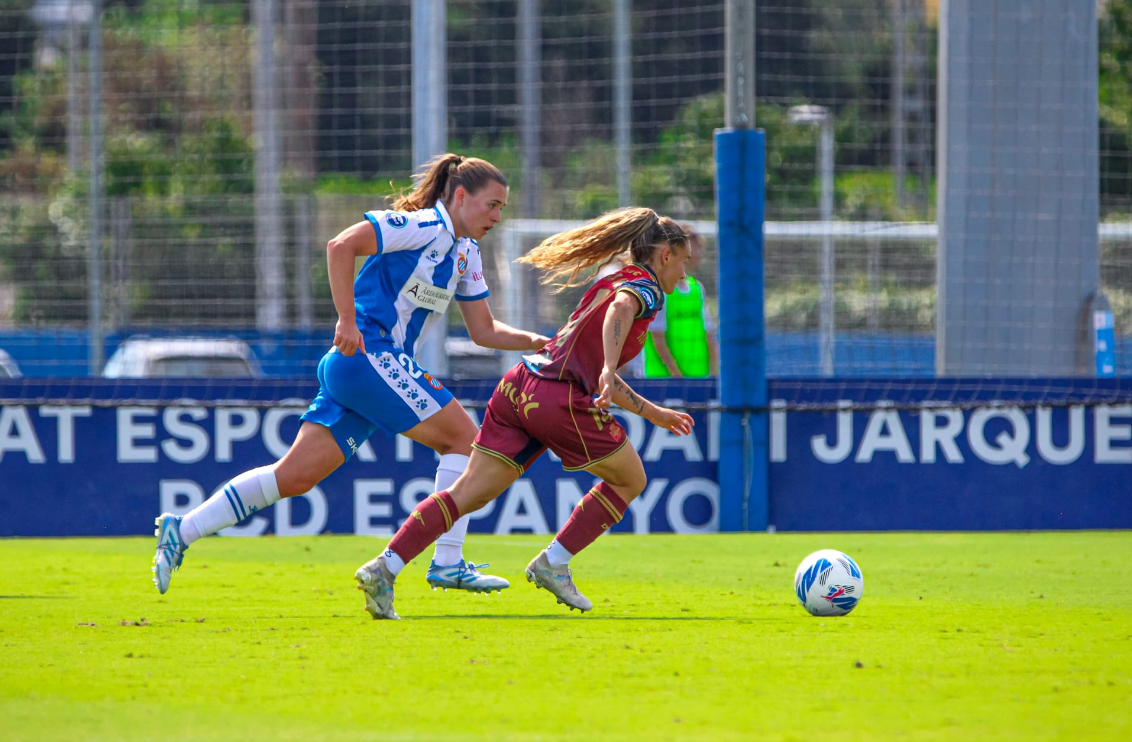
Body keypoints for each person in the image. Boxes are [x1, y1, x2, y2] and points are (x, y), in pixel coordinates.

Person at [152, 153, 549, 597]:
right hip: (366, 355)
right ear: (460, 197)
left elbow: (484, 331)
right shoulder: (420, 226)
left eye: (502, 208)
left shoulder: (466, 254)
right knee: (464, 439)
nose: (497, 216)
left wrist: (539, 341)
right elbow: (341, 246)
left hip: (364, 370)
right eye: (491, 205)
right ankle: (448, 562)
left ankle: (181, 529)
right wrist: (346, 320)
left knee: (296, 477)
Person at [354, 207, 695, 619]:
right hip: (558, 398)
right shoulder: (644, 288)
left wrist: (650, 409)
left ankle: (384, 568)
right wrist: (609, 368)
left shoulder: (614, 276)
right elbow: (619, 317)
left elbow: (603, 379)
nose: (685, 273)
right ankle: (554, 562)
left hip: (519, 385)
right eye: (683, 261)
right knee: (630, 480)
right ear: (664, 256)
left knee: (465, 495)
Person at [643, 224, 719, 378]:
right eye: (694, 247)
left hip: (698, 378)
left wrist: (715, 371)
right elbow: (657, 338)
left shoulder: (697, 288)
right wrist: (677, 376)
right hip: (664, 382)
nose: (699, 253)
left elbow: (708, 334)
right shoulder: (659, 289)